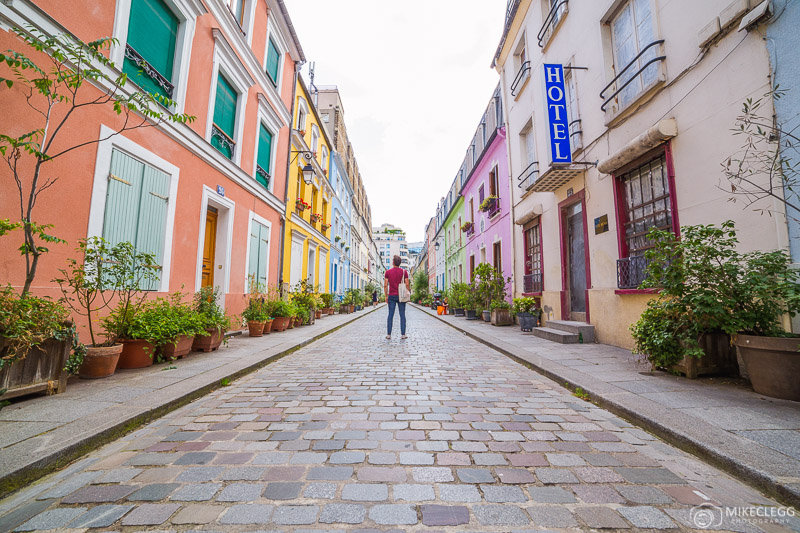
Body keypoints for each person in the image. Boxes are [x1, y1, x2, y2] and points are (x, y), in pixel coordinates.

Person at [384, 255, 410, 339]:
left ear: (393, 262)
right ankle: (403, 334)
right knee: (402, 314)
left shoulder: (388, 272)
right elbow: (407, 284)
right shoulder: (404, 272)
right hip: (401, 296)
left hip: (391, 295)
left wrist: (386, 296)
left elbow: (385, 285)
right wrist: (408, 292)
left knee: (390, 314)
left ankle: (389, 334)